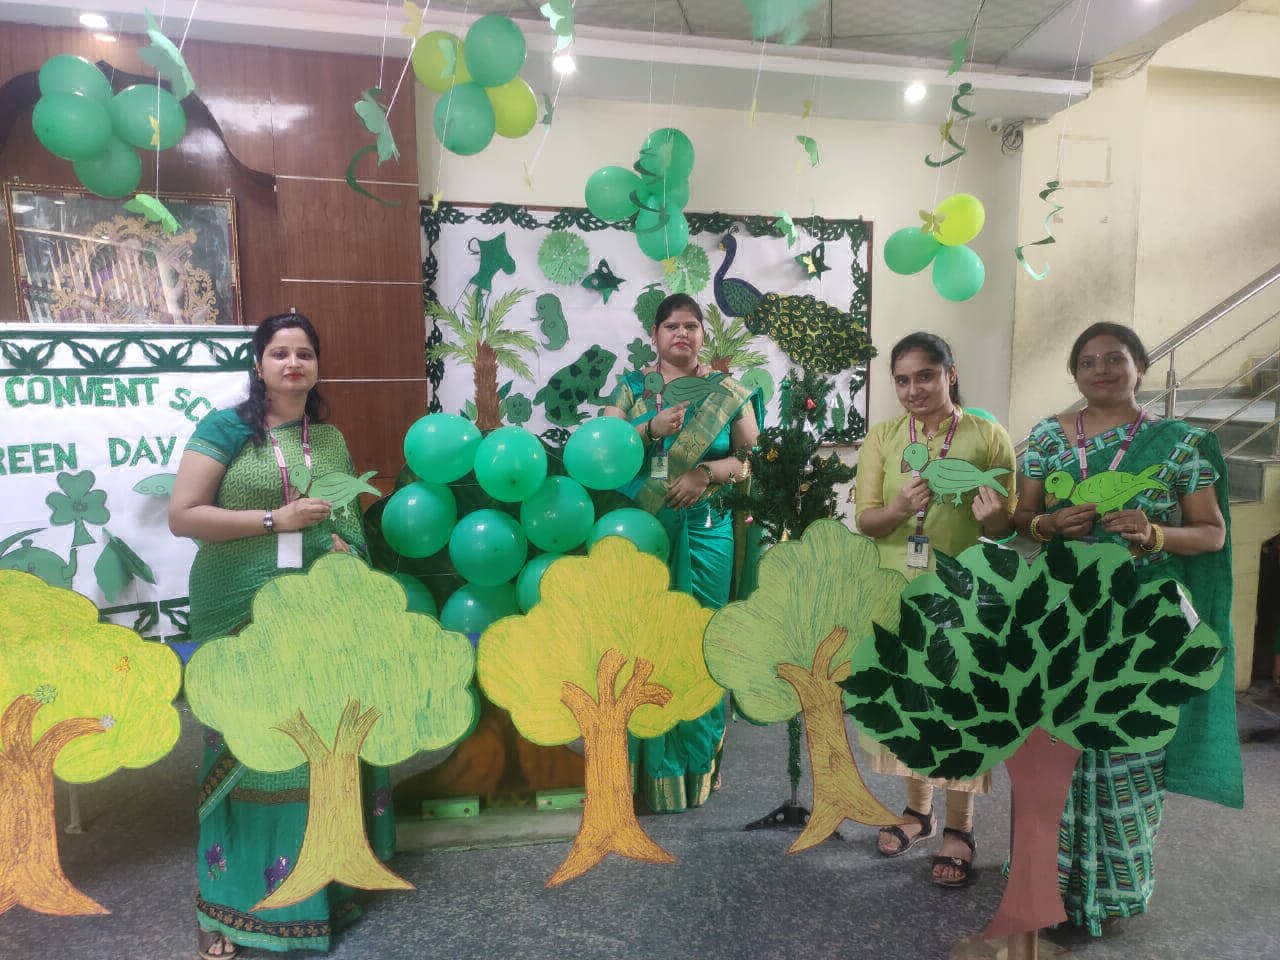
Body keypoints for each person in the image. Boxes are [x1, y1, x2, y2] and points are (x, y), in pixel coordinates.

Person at [170, 312, 394, 958]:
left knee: (314, 743)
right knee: (249, 745)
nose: (293, 363)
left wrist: (348, 555)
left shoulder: (327, 438)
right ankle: (226, 908)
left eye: (304, 353)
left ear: (316, 365)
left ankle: (320, 889)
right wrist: (276, 519)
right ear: (258, 364)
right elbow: (184, 516)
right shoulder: (225, 430)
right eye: (279, 353)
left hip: (317, 607)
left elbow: (346, 518)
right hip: (238, 605)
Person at [1011, 321, 1242, 934]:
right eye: (1088, 362)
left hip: (1144, 626)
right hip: (1062, 617)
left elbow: (1212, 533)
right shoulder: (1046, 437)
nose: (1101, 370)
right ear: (1074, 373)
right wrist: (1048, 526)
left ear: (1140, 365)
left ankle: (1112, 893)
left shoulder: (1181, 445)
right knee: (1052, 751)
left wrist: (1156, 533)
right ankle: (1047, 885)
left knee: (1130, 755)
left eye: (1114, 359)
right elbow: (1021, 517)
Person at [854, 332, 1015, 887]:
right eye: (902, 380)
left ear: (951, 373)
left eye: (925, 375)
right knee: (909, 704)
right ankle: (918, 812)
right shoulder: (884, 437)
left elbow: (1007, 525)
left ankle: (960, 828)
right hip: (895, 591)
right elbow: (867, 521)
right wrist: (900, 508)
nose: (913, 389)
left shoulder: (987, 436)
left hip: (962, 594)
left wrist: (995, 518)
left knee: (959, 708)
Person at [601, 293, 763, 813]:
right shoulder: (633, 389)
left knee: (700, 640)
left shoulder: (727, 391)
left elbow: (751, 459)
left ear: (702, 335)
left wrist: (705, 474)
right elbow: (602, 449)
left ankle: (695, 771)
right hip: (645, 529)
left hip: (709, 530)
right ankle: (639, 774)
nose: (682, 334)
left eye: (692, 326)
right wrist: (649, 429)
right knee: (642, 643)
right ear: (654, 334)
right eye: (672, 326)